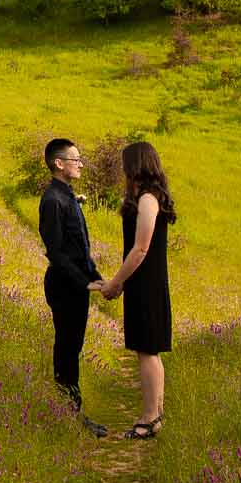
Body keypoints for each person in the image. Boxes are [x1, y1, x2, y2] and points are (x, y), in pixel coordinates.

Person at [97, 139, 174, 440]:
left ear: (136, 165)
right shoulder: (148, 197)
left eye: (125, 165)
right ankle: (155, 414)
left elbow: (140, 249)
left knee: (147, 351)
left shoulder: (147, 200)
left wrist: (117, 282)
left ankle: (150, 416)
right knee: (148, 350)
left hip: (147, 283)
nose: (122, 171)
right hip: (144, 282)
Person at [36, 138, 110, 436]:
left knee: (72, 349)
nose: (80, 164)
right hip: (64, 286)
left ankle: (72, 414)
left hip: (77, 286)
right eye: (75, 159)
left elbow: (80, 247)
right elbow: (55, 252)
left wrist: (96, 277)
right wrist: (85, 283)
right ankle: (69, 417)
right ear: (59, 163)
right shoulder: (53, 200)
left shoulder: (68, 197)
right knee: (66, 351)